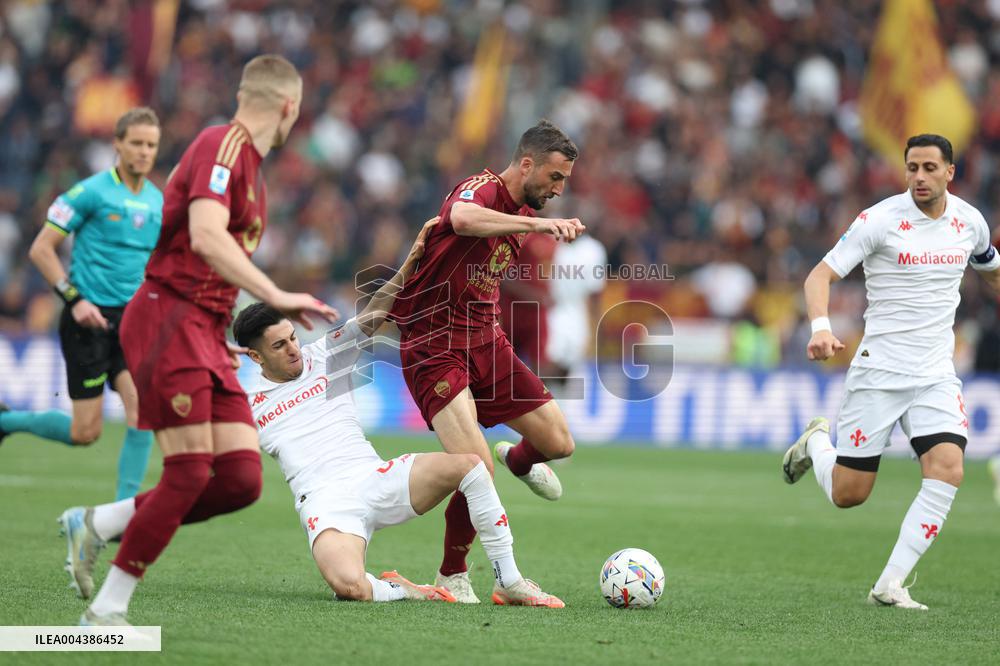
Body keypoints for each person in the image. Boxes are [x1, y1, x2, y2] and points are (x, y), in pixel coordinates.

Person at [58, 219, 564, 608]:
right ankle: (405, 590)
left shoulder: (326, 357)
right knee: (350, 588)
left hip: (376, 478)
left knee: (472, 466)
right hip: (327, 505)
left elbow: (376, 314)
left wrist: (411, 261)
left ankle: (507, 577)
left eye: (293, 338)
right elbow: (208, 455)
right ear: (255, 356)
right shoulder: (247, 403)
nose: (294, 350)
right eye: (279, 346)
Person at [61, 54, 336, 626]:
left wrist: (215, 327)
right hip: (167, 318)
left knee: (239, 480)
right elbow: (207, 236)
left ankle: (99, 523)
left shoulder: (250, 169)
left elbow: (209, 259)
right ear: (289, 106)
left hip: (202, 330)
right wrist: (274, 295)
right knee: (187, 473)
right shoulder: (222, 146)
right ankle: (106, 611)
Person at [782, 134, 1000, 610]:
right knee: (849, 494)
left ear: (950, 172)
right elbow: (819, 275)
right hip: (879, 373)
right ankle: (816, 442)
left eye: (929, 168)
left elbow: (991, 269)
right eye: (912, 168)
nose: (919, 177)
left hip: (935, 374)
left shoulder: (970, 222)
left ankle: (890, 583)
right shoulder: (878, 220)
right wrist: (821, 328)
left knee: (948, 468)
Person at [388, 120, 584, 602]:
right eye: (555, 177)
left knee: (559, 443)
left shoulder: (520, 212)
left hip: (486, 341)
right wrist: (537, 224)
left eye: (564, 181)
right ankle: (453, 575)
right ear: (526, 164)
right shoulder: (482, 188)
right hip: (435, 343)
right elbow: (461, 219)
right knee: (476, 468)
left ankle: (518, 459)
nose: (559, 190)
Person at [0, 108, 162, 502]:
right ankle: (8, 421)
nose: (144, 152)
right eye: (137, 143)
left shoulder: (158, 201)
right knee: (85, 432)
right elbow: (41, 249)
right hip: (87, 319)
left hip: (132, 322)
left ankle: (122, 514)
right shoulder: (89, 192)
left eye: (151, 145)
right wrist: (74, 300)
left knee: (142, 410)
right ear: (118, 144)